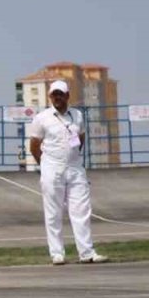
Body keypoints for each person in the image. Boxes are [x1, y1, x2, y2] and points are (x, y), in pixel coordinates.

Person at [27, 80, 108, 265]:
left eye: (60, 94)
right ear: (50, 96)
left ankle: (86, 252)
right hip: (52, 168)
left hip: (74, 168)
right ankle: (57, 253)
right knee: (53, 212)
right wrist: (45, 165)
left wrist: (74, 159)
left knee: (81, 210)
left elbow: (80, 138)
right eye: (54, 94)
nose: (57, 97)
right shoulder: (42, 118)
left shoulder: (77, 116)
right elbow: (34, 146)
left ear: (67, 96)